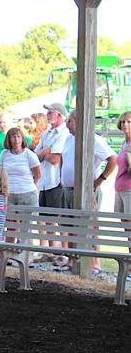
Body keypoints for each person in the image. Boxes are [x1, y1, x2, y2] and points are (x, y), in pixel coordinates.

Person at [59, 111, 117, 274]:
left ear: (79, 122)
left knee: (91, 226)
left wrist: (99, 180)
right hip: (68, 189)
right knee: (69, 225)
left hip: (86, 192)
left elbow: (112, 159)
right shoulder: (69, 139)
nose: (67, 125)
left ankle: (95, 262)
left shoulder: (94, 139)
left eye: (69, 121)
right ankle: (71, 259)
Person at [35, 103, 70, 259]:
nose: (48, 115)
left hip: (57, 181)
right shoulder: (47, 133)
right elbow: (36, 156)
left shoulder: (64, 133)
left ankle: (64, 251)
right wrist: (44, 152)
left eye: (51, 112)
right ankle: (50, 251)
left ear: (60, 115)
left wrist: (44, 154)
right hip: (44, 181)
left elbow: (55, 158)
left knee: (59, 219)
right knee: (46, 218)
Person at [0, 127, 40, 243]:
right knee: (10, 227)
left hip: (27, 193)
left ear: (22, 139)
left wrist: (35, 185)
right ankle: (9, 255)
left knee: (25, 229)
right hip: (10, 194)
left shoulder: (29, 155)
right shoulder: (4, 154)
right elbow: (2, 173)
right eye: (13, 136)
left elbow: (37, 173)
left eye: (18, 136)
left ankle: (24, 257)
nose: (16, 140)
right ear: (9, 139)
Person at [114, 111, 131, 257]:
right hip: (119, 188)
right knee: (126, 227)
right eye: (124, 122)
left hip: (129, 189)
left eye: (129, 122)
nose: (125, 124)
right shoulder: (124, 143)